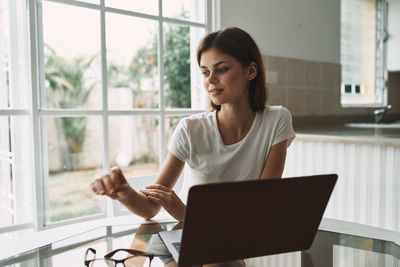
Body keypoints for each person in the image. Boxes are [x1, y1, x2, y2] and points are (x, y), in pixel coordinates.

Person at [90, 27, 295, 223]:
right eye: (205, 72)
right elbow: (150, 208)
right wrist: (124, 191)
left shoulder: (277, 120)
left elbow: (263, 202)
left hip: (231, 233)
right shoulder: (190, 129)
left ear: (251, 71)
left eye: (221, 69)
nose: (211, 80)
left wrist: (186, 213)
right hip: (190, 234)